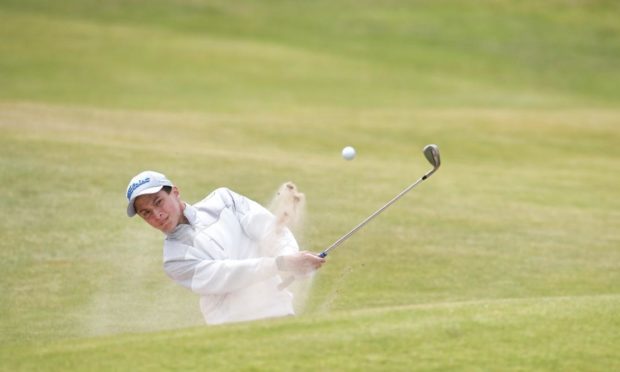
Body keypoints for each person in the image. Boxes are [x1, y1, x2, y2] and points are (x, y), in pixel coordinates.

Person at [125, 170, 326, 325]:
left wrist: (291, 257)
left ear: (175, 193)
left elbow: (269, 229)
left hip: (278, 310)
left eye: (158, 202)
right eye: (146, 213)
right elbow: (227, 274)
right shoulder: (174, 260)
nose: (157, 215)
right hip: (230, 328)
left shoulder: (223, 200)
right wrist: (281, 263)